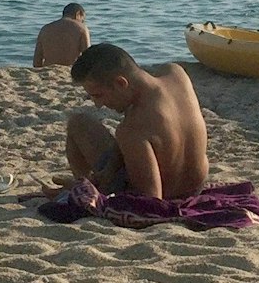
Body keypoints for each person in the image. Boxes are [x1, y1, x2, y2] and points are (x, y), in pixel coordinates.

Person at [62, 44, 208, 199]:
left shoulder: (132, 129)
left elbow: (150, 201)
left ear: (121, 83)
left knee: (78, 123)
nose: (98, 104)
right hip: (194, 188)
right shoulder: (176, 74)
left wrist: (81, 192)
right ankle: (95, 179)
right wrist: (110, 168)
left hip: (165, 194)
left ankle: (84, 187)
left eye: (98, 95)